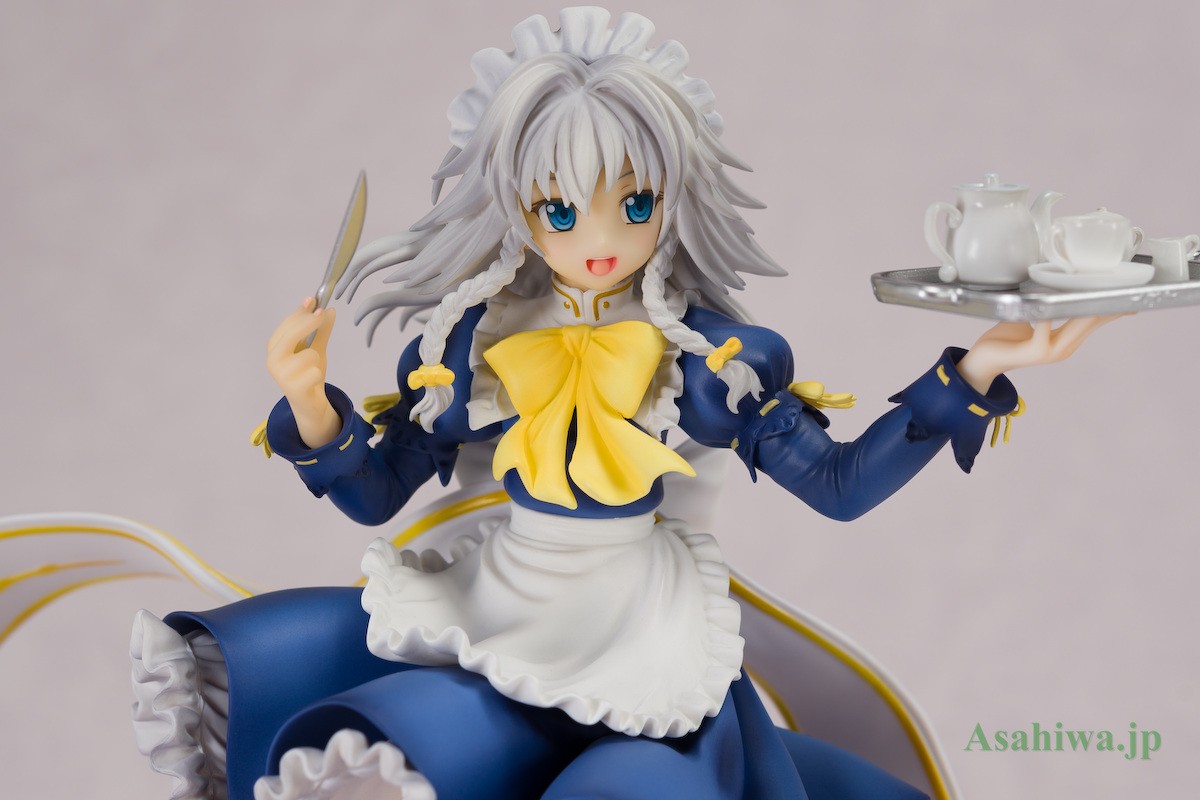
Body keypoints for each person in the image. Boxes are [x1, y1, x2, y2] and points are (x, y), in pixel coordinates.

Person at [130, 8, 1116, 799]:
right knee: (390, 735)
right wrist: (310, 397)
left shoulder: (707, 358)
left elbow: (840, 484)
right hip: (493, 609)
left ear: (673, 198)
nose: (598, 240)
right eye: (560, 209)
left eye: (632, 203)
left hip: (644, 636)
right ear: (517, 208)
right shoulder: (476, 345)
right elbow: (376, 490)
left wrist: (972, 371)